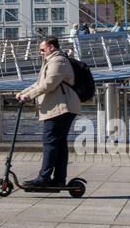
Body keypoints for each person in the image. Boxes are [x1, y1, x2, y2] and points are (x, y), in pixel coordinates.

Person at [15, 35, 81, 191]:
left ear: (52, 47)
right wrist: (23, 92)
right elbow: (39, 83)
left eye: (42, 49)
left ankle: (44, 178)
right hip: (58, 108)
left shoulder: (58, 61)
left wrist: (28, 96)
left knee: (50, 142)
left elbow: (49, 84)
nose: (41, 52)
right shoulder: (51, 61)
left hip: (61, 108)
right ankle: (58, 180)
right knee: (58, 144)